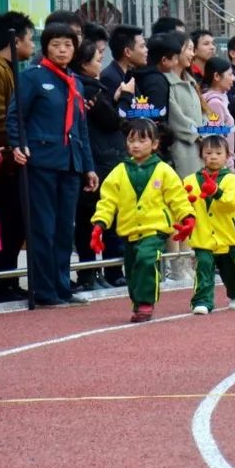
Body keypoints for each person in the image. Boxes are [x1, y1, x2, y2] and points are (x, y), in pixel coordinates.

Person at [8, 23, 99, 307]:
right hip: (42, 162)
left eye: (68, 45)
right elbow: (15, 117)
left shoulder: (76, 81)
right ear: (45, 46)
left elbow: (81, 129)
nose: (62, 50)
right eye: (56, 44)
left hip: (70, 163)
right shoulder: (34, 77)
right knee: (43, 228)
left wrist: (88, 166)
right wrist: (18, 145)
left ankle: (62, 286)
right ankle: (44, 290)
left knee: (64, 229)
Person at [90, 118, 194, 321]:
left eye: (142, 141)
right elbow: (108, 200)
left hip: (154, 229)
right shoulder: (120, 171)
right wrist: (100, 223)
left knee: (147, 261)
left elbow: (177, 196)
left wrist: (187, 216)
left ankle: (146, 303)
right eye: (131, 141)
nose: (135, 145)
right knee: (132, 269)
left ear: (155, 144)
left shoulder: (163, 170)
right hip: (129, 231)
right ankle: (138, 302)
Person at [71, 39, 126, 292]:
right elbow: (112, 121)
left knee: (101, 219)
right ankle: (95, 273)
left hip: (103, 158)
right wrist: (120, 97)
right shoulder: (88, 88)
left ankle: (100, 272)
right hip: (99, 160)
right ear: (83, 64)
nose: (100, 64)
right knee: (95, 219)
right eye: (96, 59)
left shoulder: (93, 87)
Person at [0, 12, 36, 302]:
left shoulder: (10, 68)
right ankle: (1, 281)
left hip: (11, 159)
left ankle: (8, 279)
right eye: (30, 39)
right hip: (3, 161)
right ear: (15, 39)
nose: (32, 45)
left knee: (15, 222)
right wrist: (19, 142)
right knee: (6, 222)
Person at [183, 135, 235, 313]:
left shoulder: (232, 180)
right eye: (208, 152)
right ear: (201, 155)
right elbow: (182, 202)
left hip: (226, 235)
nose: (213, 156)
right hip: (202, 235)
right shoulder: (190, 180)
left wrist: (217, 192)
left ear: (227, 156)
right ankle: (202, 301)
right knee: (203, 266)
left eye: (218, 153)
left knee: (231, 268)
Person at [165, 32, 205, 179]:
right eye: (188, 48)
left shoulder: (191, 82)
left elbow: (203, 112)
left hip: (200, 148)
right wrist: (198, 134)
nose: (192, 54)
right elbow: (176, 117)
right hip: (182, 148)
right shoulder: (166, 82)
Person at [201, 57, 235, 170]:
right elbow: (217, 140)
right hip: (222, 165)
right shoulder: (215, 103)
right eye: (230, 75)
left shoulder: (222, 97)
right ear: (216, 76)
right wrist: (230, 167)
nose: (234, 78)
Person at [101, 25, 146, 105]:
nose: (146, 50)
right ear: (127, 52)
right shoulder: (109, 78)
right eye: (142, 46)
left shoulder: (128, 75)